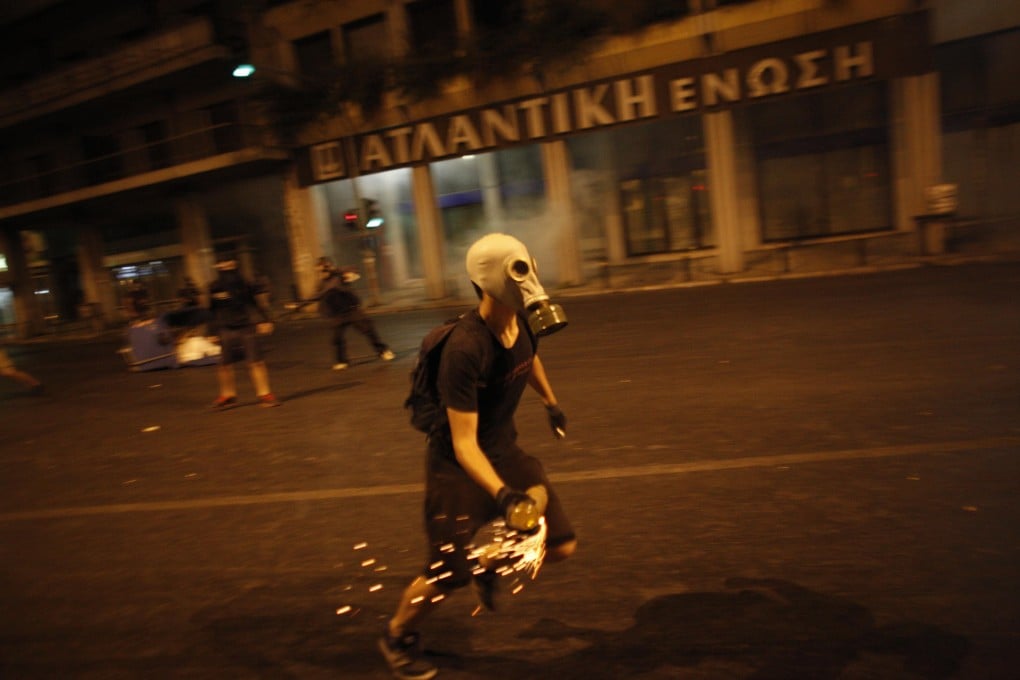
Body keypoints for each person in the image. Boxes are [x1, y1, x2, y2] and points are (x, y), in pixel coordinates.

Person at [379, 233, 574, 680]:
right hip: (457, 467)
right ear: (489, 282)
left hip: (504, 450)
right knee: (446, 575)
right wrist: (504, 497)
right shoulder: (464, 348)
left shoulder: (522, 323)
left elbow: (530, 361)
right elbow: (464, 444)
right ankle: (397, 635)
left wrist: (551, 402)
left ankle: (487, 563)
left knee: (560, 545)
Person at [296, 257, 394, 370]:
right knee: (336, 338)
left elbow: (352, 272)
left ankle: (383, 351)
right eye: (319, 271)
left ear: (329, 268)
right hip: (336, 314)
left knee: (369, 330)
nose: (321, 274)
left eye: (323, 270)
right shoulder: (322, 284)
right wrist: (300, 305)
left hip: (351, 310)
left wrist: (348, 274)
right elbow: (316, 296)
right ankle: (341, 361)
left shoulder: (339, 276)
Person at [207, 258, 279, 409]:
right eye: (224, 264)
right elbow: (212, 311)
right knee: (224, 364)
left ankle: (265, 394)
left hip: (246, 326)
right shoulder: (214, 286)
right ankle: (228, 395)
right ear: (218, 266)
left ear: (235, 264)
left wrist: (266, 320)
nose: (227, 267)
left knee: (256, 362)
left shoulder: (244, 283)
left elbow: (255, 303)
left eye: (230, 263)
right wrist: (211, 331)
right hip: (225, 328)